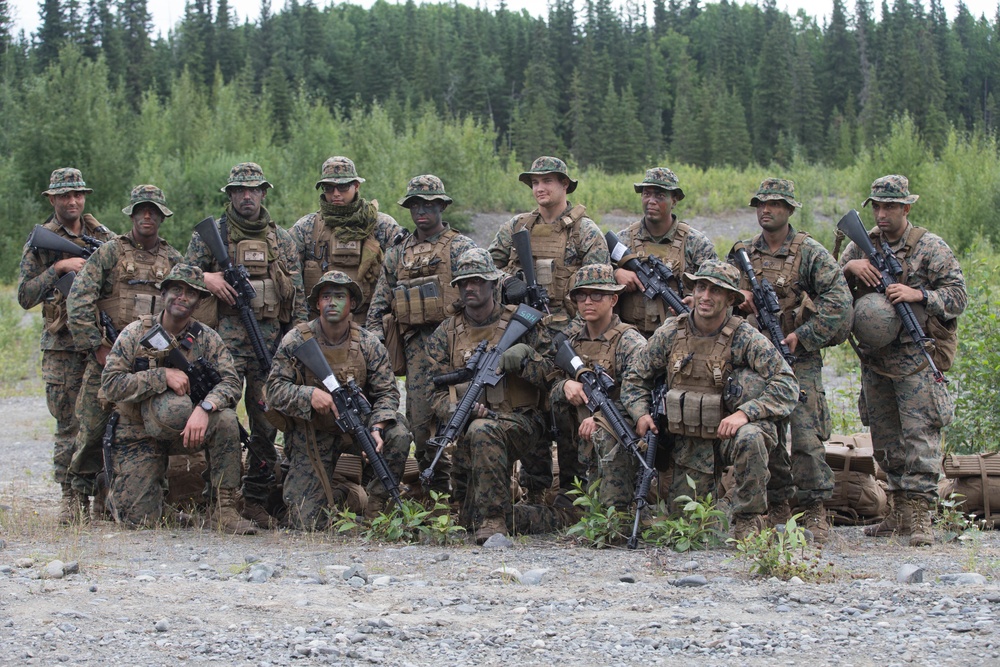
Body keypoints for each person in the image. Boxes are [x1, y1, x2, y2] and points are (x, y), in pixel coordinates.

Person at [620, 261, 799, 539]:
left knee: (751, 437)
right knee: (690, 531)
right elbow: (635, 378)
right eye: (701, 287)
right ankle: (724, 502)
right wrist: (640, 413)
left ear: (730, 299)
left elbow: (787, 383)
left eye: (715, 291)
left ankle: (748, 518)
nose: (705, 296)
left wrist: (745, 414)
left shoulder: (744, 336)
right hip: (689, 440)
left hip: (728, 435)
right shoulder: (671, 332)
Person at [840, 175, 966, 547]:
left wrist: (919, 294)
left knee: (920, 437)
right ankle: (897, 512)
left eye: (890, 207)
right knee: (885, 438)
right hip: (877, 360)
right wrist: (850, 270)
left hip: (915, 358)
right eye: (877, 207)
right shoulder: (858, 248)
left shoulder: (930, 247)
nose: (882, 214)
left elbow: (958, 296)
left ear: (906, 208)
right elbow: (828, 288)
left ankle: (922, 516)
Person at [729, 178, 853, 544]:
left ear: (790, 210)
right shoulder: (743, 253)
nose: (766, 210)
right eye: (761, 204)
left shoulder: (809, 252)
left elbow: (839, 300)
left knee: (805, 433)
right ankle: (778, 502)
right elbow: (714, 294)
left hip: (797, 357)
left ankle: (815, 509)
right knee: (762, 431)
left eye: (776, 205)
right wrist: (740, 295)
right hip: (756, 361)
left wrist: (805, 336)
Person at [185, 162, 306, 527]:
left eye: (253, 190)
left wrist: (296, 347)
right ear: (231, 195)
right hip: (220, 348)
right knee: (218, 418)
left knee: (266, 422)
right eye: (239, 190)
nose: (247, 196)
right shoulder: (213, 235)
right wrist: (207, 277)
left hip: (267, 347)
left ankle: (255, 499)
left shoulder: (280, 239)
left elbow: (296, 299)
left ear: (264, 193)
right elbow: (180, 275)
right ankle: (216, 500)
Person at [100, 264, 256, 533]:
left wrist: (206, 408)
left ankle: (224, 509)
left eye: (190, 293)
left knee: (227, 420)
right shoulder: (135, 333)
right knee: (139, 523)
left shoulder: (207, 338)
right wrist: (161, 376)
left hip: (186, 429)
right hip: (138, 431)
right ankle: (115, 486)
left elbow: (231, 383)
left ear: (199, 301)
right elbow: (111, 384)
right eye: (176, 290)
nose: (182, 297)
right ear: (164, 294)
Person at [487, 156, 609, 494]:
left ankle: (573, 490)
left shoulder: (586, 232)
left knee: (566, 407)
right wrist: (506, 282)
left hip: (566, 337)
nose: (540, 188)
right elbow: (485, 267)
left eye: (548, 181)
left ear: (565, 185)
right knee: (524, 406)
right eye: (535, 182)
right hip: (522, 330)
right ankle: (534, 487)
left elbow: (600, 288)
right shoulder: (517, 227)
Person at [424, 248, 562, 543]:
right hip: (471, 427)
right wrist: (458, 409)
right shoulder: (446, 333)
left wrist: (526, 359)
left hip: (524, 423)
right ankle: (546, 517)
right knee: (466, 519)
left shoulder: (523, 323)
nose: (469, 288)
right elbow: (431, 392)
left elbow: (554, 375)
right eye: (463, 283)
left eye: (477, 281)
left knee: (482, 430)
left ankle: (495, 521)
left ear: (493, 283)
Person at [66, 185, 184, 520]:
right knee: (91, 427)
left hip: (154, 360)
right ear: (131, 215)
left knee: (152, 428)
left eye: (154, 211)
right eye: (141, 211)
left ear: (162, 216)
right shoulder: (109, 253)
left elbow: (187, 305)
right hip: (111, 359)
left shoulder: (173, 259)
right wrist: (97, 347)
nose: (147, 217)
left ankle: (137, 494)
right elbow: (79, 300)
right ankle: (76, 496)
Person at [264, 271, 411, 529]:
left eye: (340, 296)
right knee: (305, 522)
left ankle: (376, 509)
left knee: (398, 433)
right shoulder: (297, 340)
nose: (332, 302)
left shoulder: (368, 343)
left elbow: (388, 393)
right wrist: (309, 395)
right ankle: (345, 492)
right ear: (318, 303)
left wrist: (377, 427)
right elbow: (274, 389)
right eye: (326, 296)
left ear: (352, 303)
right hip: (313, 432)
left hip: (358, 426)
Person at [366, 175, 477, 497]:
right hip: (416, 352)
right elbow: (378, 306)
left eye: (428, 205)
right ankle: (435, 494)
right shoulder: (397, 254)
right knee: (420, 425)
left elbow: (483, 295)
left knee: (462, 419)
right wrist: (373, 351)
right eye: (415, 205)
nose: (421, 212)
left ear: (441, 206)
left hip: (459, 351)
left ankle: (466, 496)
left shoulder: (461, 248)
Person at [18, 168, 116, 524]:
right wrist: (59, 267)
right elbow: (25, 296)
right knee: (68, 427)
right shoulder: (42, 241)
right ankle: (71, 501)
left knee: (104, 423)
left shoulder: (103, 235)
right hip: (62, 347)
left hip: (100, 343)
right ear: (53, 200)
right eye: (64, 196)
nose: (72, 202)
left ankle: (103, 498)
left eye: (77, 195)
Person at [548, 264, 647, 510]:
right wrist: (565, 386)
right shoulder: (570, 343)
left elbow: (639, 395)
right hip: (576, 442)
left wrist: (601, 418)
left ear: (614, 299)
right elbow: (549, 385)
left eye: (597, 295)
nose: (587, 302)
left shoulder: (629, 341)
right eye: (581, 296)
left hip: (614, 434)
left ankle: (614, 511)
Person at [289, 156, 408, 324]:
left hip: (368, 325)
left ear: (356, 186)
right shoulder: (307, 227)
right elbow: (290, 278)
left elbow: (404, 266)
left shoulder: (379, 224)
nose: (336, 193)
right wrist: (300, 326)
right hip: (318, 327)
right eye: (329, 187)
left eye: (343, 187)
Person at [612, 167, 718, 336]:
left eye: (660, 195)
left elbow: (718, 289)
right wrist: (616, 273)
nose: (651, 201)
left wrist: (696, 302)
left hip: (679, 336)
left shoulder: (697, 244)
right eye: (646, 194)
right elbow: (594, 283)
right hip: (629, 336)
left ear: (674, 200)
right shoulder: (623, 240)